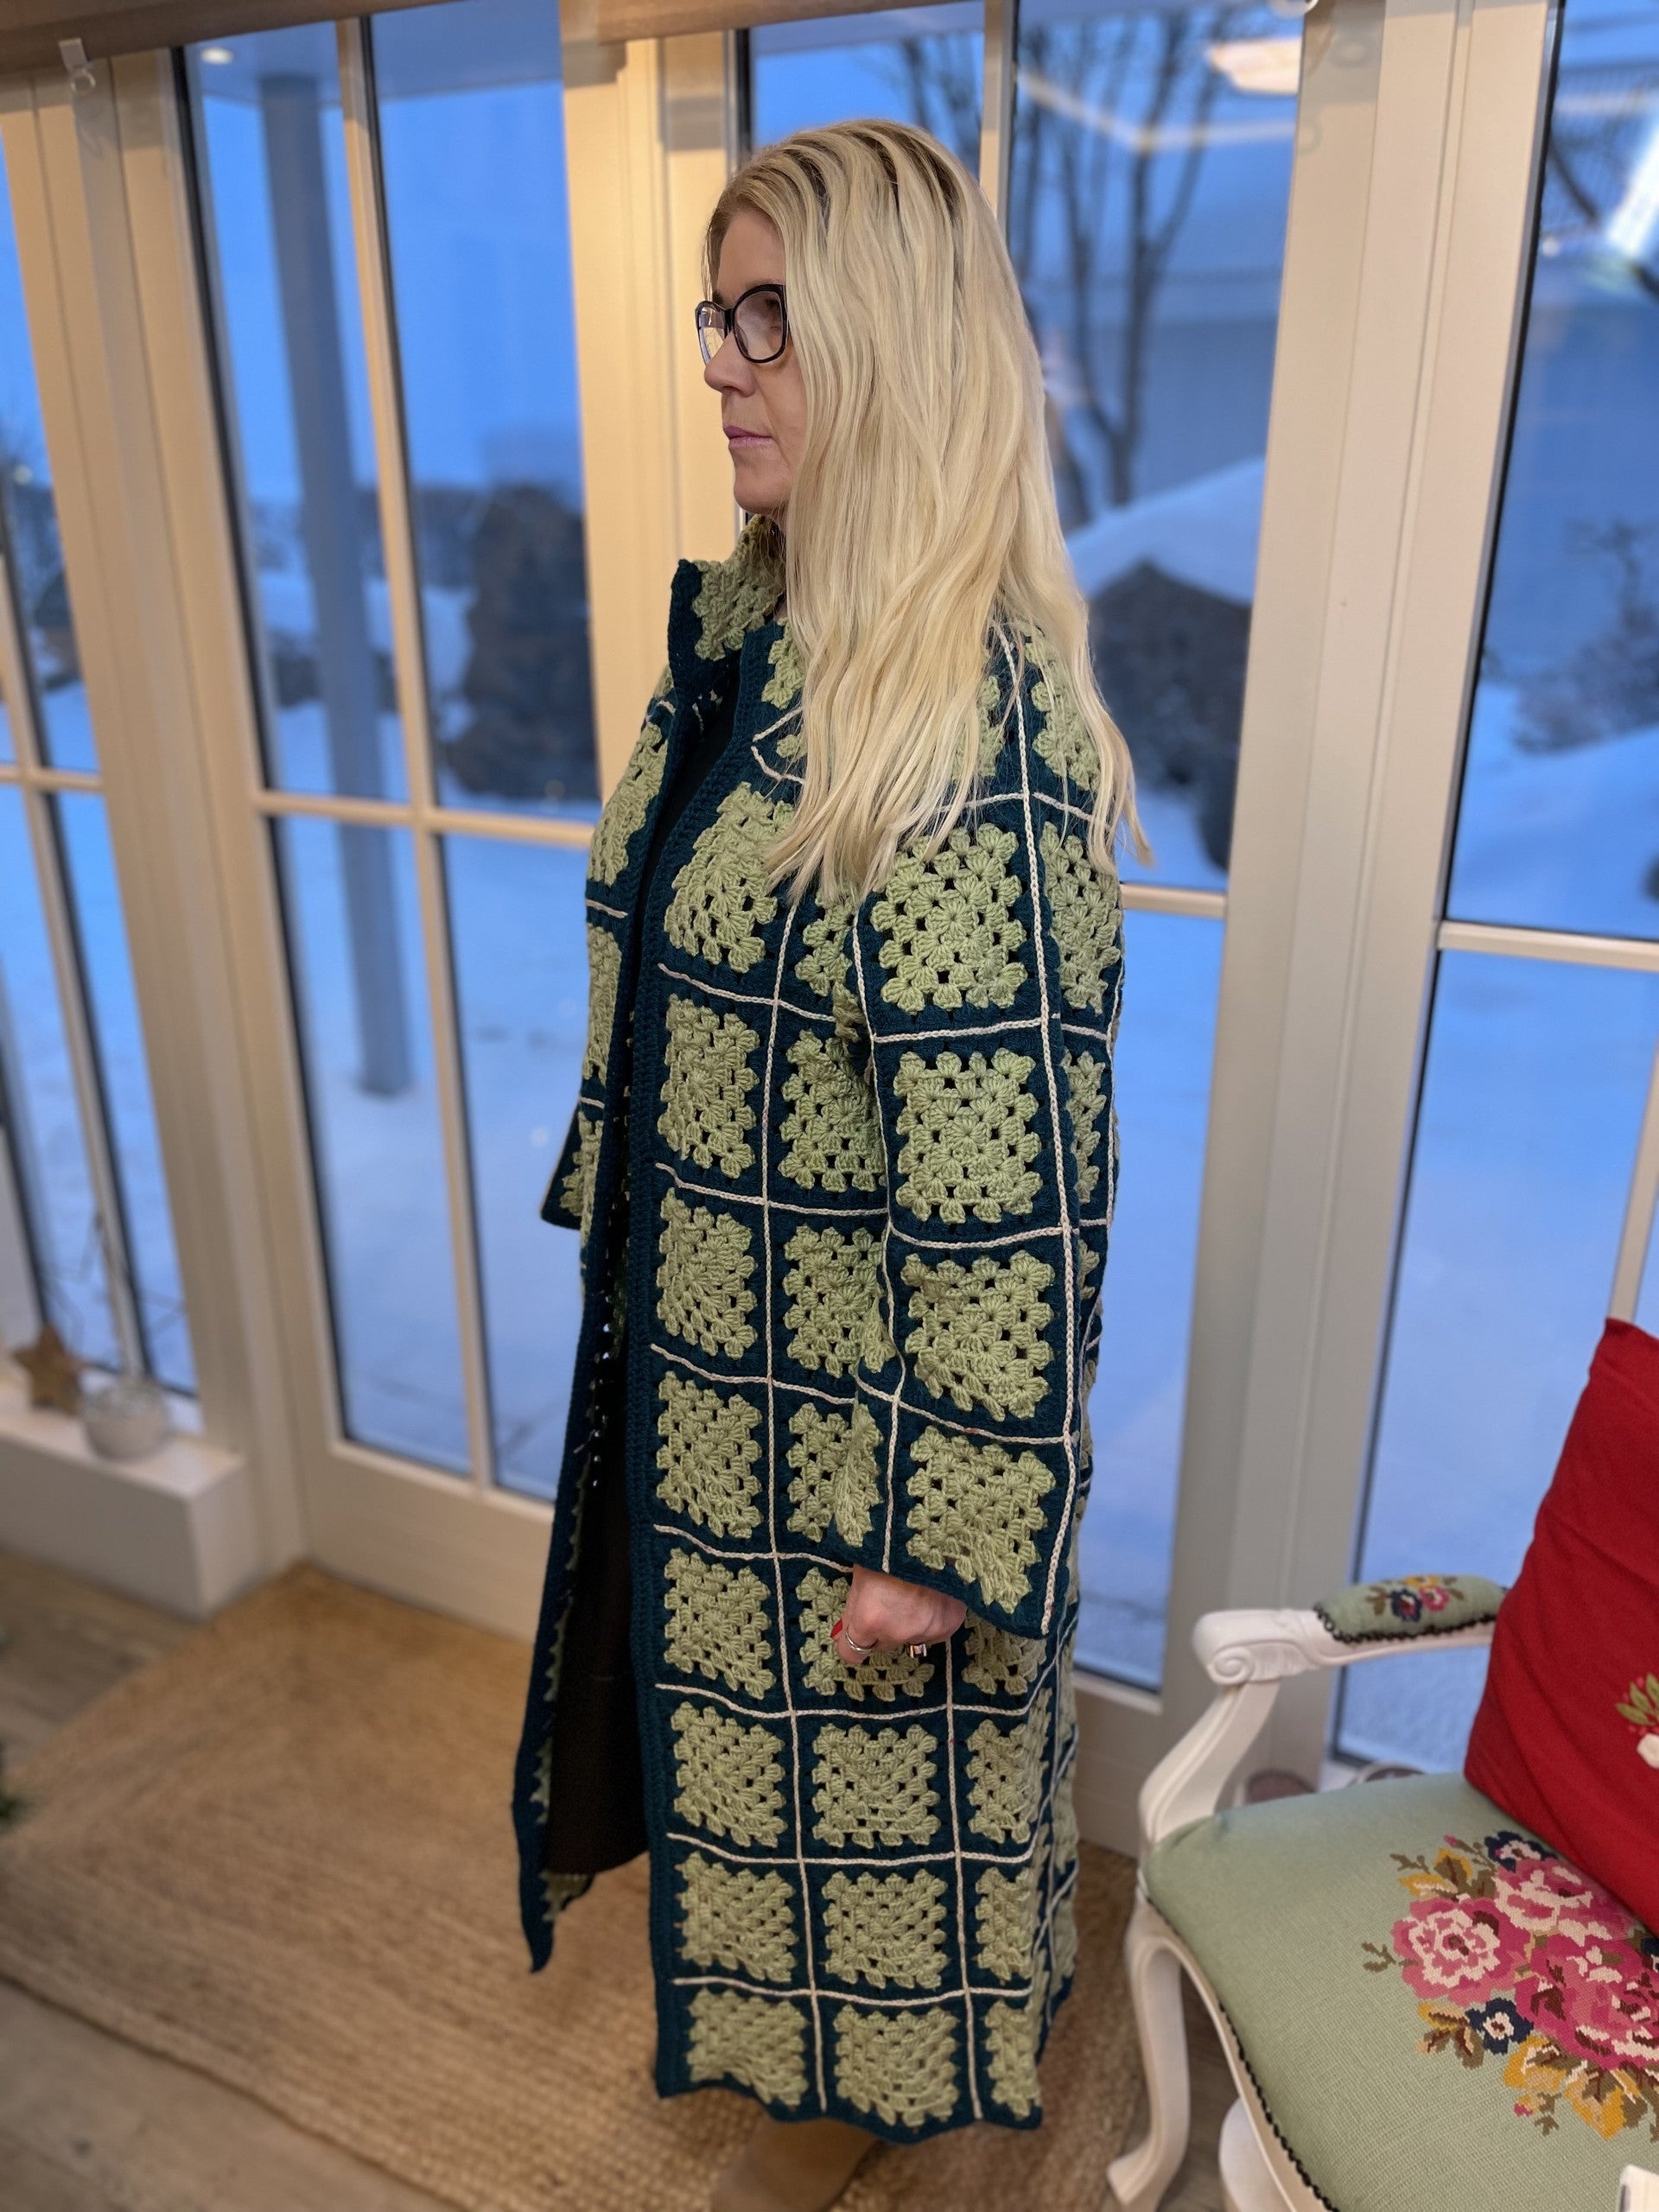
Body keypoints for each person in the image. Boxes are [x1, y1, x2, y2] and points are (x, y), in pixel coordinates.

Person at [512, 118, 1140, 2212]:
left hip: (848, 1439)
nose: (723, 360)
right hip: (727, 1389)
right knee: (762, 1813)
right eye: (719, 312)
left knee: (874, 1839)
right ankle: (818, 2082)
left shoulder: (964, 731)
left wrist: (937, 1536)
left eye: (772, 316)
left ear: (894, 341)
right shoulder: (770, 648)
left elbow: (1015, 1210)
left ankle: (864, 2120)